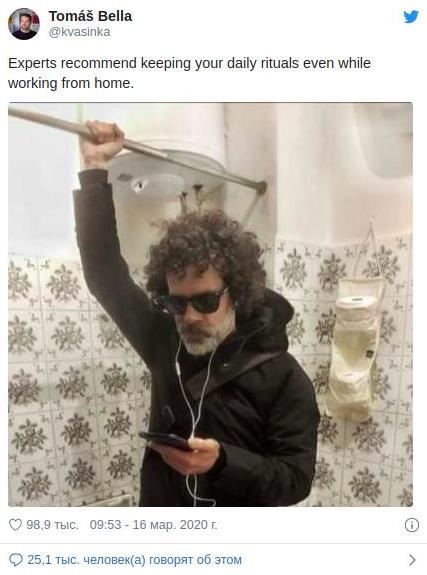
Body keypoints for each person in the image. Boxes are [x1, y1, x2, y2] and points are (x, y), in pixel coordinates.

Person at [74, 120, 320, 506]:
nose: (188, 317)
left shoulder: (285, 378)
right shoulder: (163, 340)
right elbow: (104, 273)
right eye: (176, 303)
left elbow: (296, 479)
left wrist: (222, 462)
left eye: (205, 301)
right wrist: (94, 168)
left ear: (236, 292)